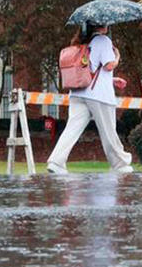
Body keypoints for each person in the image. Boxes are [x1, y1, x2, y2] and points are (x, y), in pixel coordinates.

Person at [47, 24, 133, 174]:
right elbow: (108, 65)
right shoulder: (103, 40)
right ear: (101, 25)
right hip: (98, 95)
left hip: (78, 93)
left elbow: (89, 70)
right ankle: (121, 164)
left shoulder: (82, 43)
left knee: (72, 129)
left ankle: (56, 161)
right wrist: (117, 56)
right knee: (108, 130)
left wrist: (112, 80)